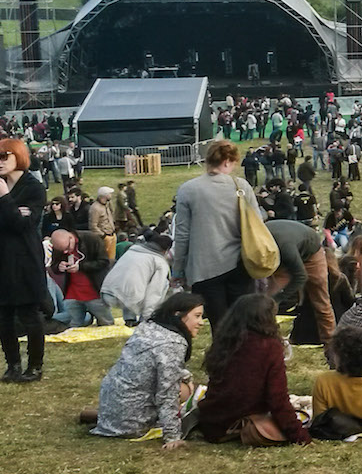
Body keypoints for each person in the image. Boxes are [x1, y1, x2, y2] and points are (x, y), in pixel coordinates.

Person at [89, 292, 206, 449]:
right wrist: (172, 436)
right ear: (178, 315)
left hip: (111, 413)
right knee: (187, 391)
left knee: (185, 385)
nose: (201, 322)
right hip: (133, 425)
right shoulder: (173, 343)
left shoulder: (148, 327)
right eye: (197, 316)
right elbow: (167, 392)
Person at [172, 140, 265, 328]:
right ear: (228, 161)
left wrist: (178, 269)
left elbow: (182, 234)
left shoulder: (188, 189)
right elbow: (258, 225)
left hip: (204, 268)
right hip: (240, 263)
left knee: (219, 324)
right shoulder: (241, 186)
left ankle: (222, 356)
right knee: (241, 322)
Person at [197, 293, 310, 445]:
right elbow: (278, 399)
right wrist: (300, 435)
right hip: (245, 422)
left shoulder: (225, 341)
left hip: (211, 422)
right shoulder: (269, 347)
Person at [0, 137, 48, 383]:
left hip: (25, 259)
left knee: (29, 314)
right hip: (0, 259)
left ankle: (35, 365)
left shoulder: (33, 187)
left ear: (18, 157)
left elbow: (25, 225)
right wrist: (11, 209)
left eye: (4, 157)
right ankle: (12, 364)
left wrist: (6, 201)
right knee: (3, 316)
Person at [265, 218, 336, 339]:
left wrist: (278, 298)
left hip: (311, 254)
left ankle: (331, 345)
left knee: (321, 302)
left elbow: (301, 276)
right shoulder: (255, 242)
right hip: (283, 253)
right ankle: (269, 340)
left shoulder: (286, 247)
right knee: (267, 303)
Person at [101, 230, 172, 326]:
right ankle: (145, 320)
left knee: (136, 283)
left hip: (107, 293)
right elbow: (155, 292)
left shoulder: (132, 251)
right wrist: (147, 318)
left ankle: (130, 319)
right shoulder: (159, 262)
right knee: (163, 284)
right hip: (129, 299)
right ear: (166, 250)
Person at [50, 228, 115, 326]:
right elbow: (54, 265)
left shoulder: (91, 238)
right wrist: (58, 266)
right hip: (72, 293)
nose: (65, 252)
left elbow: (104, 262)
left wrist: (81, 266)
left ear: (71, 238)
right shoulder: (60, 246)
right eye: (62, 250)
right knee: (73, 325)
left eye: (67, 248)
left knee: (106, 323)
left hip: (94, 291)